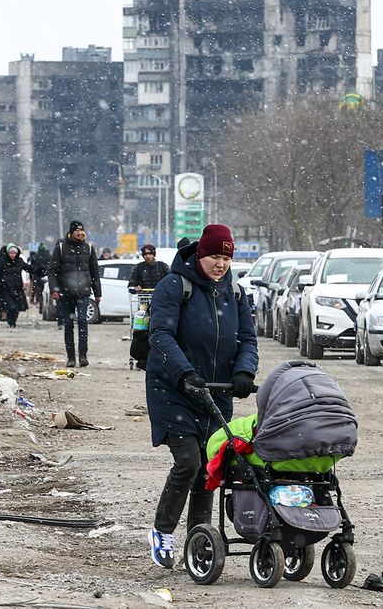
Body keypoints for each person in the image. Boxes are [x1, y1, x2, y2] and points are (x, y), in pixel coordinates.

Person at [145, 224, 258, 569]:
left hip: (215, 393)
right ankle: (162, 531)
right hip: (173, 389)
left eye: (226, 257)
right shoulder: (174, 286)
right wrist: (184, 373)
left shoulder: (235, 294)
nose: (220, 264)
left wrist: (243, 371)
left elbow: (249, 340)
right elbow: (160, 334)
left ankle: (198, 538)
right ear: (200, 255)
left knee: (210, 470)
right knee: (189, 462)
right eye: (214, 256)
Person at [47, 221, 101, 368]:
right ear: (71, 232)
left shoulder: (88, 248)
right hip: (65, 293)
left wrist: (97, 293)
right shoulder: (61, 247)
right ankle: (71, 357)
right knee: (68, 325)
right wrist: (54, 289)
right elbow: (52, 270)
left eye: (81, 230)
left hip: (83, 292)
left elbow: (94, 272)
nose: (79, 233)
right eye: (76, 230)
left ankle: (83, 356)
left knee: (83, 322)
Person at [0, 243, 33, 328]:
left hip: (17, 287)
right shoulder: (1, 262)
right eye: (11, 253)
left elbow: (29, 268)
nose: (13, 255)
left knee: (17, 308)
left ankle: (13, 321)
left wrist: (41, 270)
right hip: (6, 289)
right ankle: (11, 322)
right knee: (11, 307)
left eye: (14, 253)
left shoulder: (19, 261)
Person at [27, 244, 51, 310]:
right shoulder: (49, 256)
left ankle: (40, 302)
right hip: (47, 275)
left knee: (38, 290)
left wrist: (31, 275)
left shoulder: (35, 256)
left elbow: (32, 267)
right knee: (46, 290)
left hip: (37, 275)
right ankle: (43, 303)